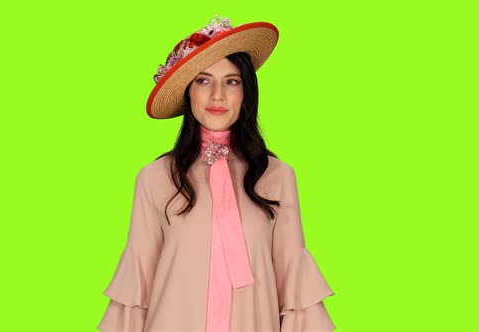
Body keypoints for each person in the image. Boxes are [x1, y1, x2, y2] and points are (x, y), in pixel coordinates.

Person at [98, 16, 336, 331]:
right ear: (188, 91)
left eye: (232, 81)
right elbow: (137, 284)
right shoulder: (154, 178)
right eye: (204, 80)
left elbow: (293, 282)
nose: (218, 96)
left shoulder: (277, 177)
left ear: (246, 92)